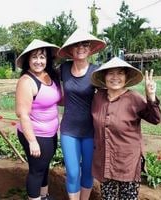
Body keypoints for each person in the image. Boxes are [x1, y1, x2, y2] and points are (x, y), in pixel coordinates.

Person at [90, 57, 161, 200]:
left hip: (127, 161)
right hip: (105, 160)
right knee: (108, 197)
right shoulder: (98, 97)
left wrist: (151, 96)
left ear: (126, 77)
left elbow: (155, 119)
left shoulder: (134, 98)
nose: (115, 77)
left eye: (120, 73)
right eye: (110, 73)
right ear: (104, 77)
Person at [57, 28, 106, 200]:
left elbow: (109, 96)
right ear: (70, 49)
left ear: (91, 49)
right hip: (69, 129)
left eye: (85, 45)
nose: (81, 48)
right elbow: (46, 83)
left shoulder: (97, 72)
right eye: (76, 45)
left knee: (87, 170)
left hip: (90, 130)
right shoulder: (63, 68)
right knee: (72, 172)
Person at [15, 39, 61, 200]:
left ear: (47, 59)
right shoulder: (26, 81)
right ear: (28, 59)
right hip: (36, 134)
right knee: (36, 171)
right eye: (34, 57)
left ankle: (44, 195)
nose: (38, 61)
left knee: (44, 167)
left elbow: (58, 99)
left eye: (42, 57)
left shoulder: (50, 76)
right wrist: (32, 141)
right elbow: (23, 114)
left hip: (50, 133)